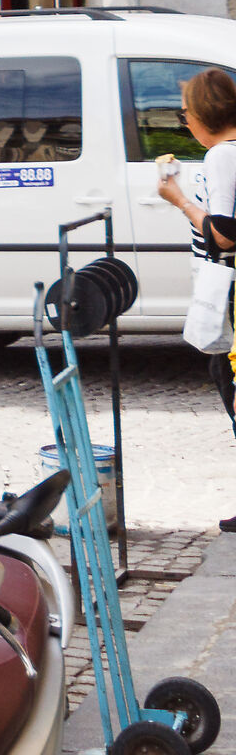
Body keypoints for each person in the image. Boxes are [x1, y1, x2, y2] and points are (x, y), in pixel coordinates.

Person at [158, 67, 236, 519]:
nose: (183, 121)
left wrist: (180, 200)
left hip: (230, 287)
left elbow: (224, 234)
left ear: (204, 112)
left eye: (184, 112)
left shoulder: (223, 156)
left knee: (228, 379)